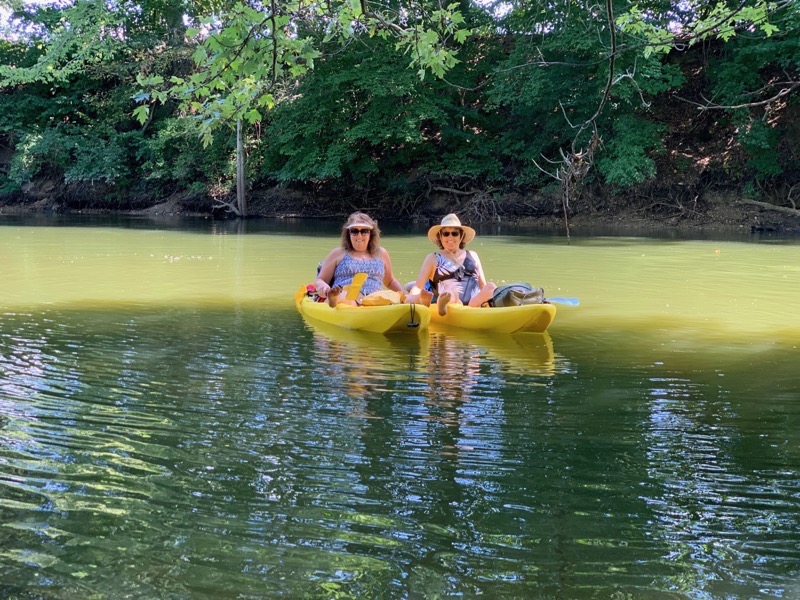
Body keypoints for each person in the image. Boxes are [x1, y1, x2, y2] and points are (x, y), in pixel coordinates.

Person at [314, 212, 425, 307]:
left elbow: (390, 281)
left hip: (374, 298)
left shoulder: (381, 253)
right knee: (345, 296)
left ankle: (419, 301)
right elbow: (320, 279)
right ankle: (334, 300)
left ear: (371, 234)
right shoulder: (338, 253)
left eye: (364, 231)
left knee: (394, 297)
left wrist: (404, 294)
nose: (359, 235)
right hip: (346, 295)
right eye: (354, 231)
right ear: (348, 234)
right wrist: (323, 287)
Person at [407, 213, 497, 316]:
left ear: (461, 235)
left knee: (491, 286)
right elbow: (418, 287)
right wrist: (409, 300)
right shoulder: (433, 258)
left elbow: (483, 285)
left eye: (454, 233)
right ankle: (443, 306)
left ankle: (494, 307)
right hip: (453, 303)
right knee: (450, 291)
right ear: (440, 236)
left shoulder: (473, 255)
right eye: (446, 234)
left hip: (474, 304)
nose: (450, 237)